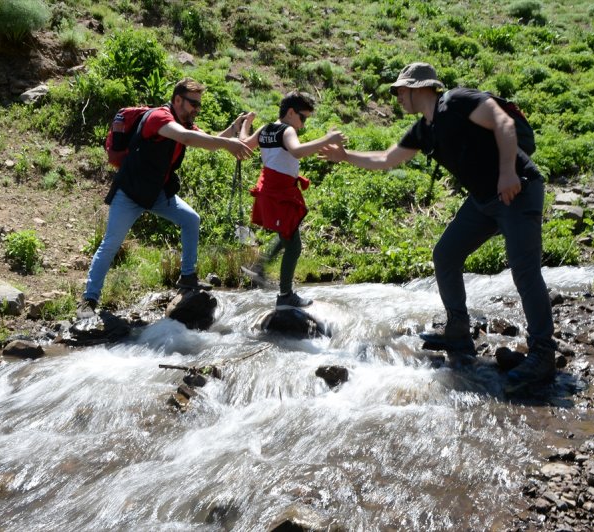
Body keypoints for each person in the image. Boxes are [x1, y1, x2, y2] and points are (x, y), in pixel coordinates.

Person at [320, 62, 557, 390]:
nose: (397, 97)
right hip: (484, 201)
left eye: (400, 90)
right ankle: (459, 331)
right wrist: (345, 156)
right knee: (445, 254)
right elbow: (386, 160)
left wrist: (507, 172)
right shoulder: (423, 130)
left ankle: (543, 352)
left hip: (519, 189)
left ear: (419, 88)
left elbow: (503, 123)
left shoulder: (458, 101)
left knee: (524, 270)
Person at [77, 78, 254, 319]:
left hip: (157, 192)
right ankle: (89, 300)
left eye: (199, 105)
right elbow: (187, 139)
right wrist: (227, 143)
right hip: (130, 192)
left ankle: (188, 277)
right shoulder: (160, 118)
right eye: (193, 104)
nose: (196, 110)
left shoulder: (182, 122)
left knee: (191, 219)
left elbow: (208, 142)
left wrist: (233, 130)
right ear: (177, 99)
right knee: (110, 244)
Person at [238, 91, 346, 309]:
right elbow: (296, 151)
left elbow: (245, 145)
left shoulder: (265, 128)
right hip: (281, 193)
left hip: (270, 190)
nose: (303, 125)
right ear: (290, 112)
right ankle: (285, 296)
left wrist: (246, 124)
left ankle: (260, 267)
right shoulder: (287, 130)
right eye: (303, 118)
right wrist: (328, 139)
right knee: (294, 246)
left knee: (288, 232)